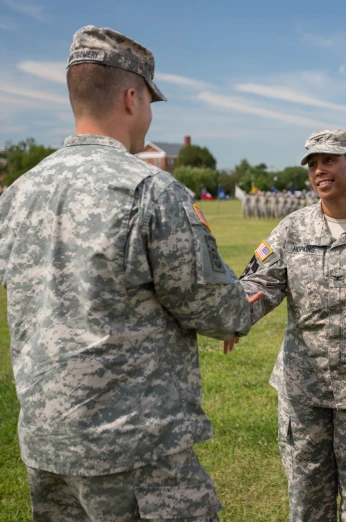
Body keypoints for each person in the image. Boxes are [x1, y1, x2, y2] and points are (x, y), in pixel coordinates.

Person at [0, 26, 259, 521]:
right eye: (150, 103)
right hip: (133, 447)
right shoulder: (149, 190)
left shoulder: (19, 193)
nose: (149, 115)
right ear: (132, 96)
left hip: (46, 441)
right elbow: (214, 307)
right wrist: (243, 305)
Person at [228, 130, 346, 522]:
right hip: (303, 393)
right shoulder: (293, 229)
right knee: (308, 505)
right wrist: (233, 315)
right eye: (312, 163)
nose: (318, 170)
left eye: (328, 160)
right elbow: (260, 283)